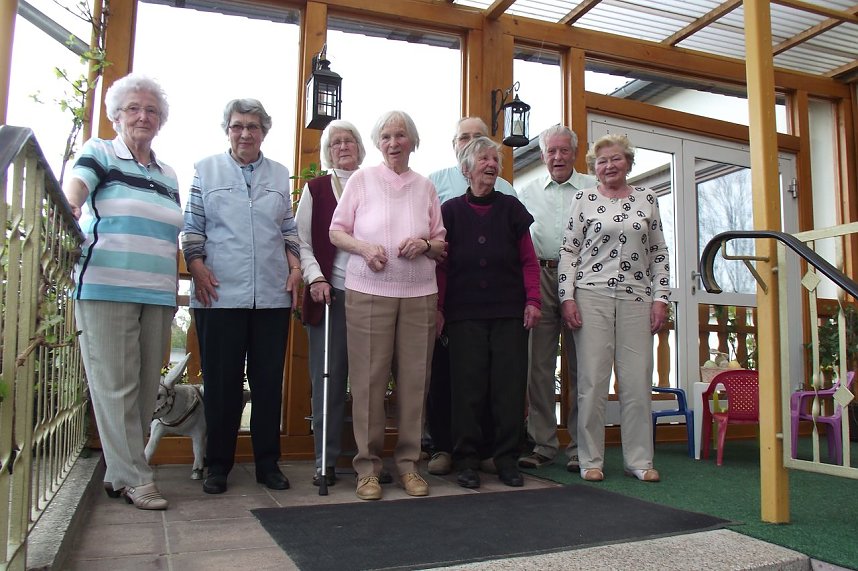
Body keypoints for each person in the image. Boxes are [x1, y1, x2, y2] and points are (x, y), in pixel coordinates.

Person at [64, 73, 181, 510]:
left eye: (151, 109)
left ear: (160, 120)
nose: (142, 115)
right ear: (116, 115)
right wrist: (71, 201)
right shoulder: (100, 152)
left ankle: (119, 473)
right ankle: (135, 476)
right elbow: (77, 185)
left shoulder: (167, 173)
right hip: (106, 286)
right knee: (115, 385)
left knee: (146, 387)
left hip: (157, 294)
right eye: (133, 108)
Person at [182, 98, 300, 495]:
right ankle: (218, 465)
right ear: (227, 130)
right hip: (218, 294)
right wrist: (196, 267)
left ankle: (268, 464)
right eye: (237, 126)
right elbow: (192, 227)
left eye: (253, 126)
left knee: (267, 383)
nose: (245, 133)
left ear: (264, 131)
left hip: (270, 297)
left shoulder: (280, 174)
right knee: (222, 385)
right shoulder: (205, 169)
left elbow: (288, 230)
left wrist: (296, 267)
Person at [330, 110, 446, 501]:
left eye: (401, 136)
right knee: (368, 382)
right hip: (368, 291)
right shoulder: (362, 181)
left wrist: (425, 245)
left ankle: (409, 465)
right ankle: (367, 469)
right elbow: (336, 231)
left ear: (412, 141)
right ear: (378, 144)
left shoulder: (425, 186)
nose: (394, 143)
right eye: (386, 137)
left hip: (419, 295)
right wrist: (364, 248)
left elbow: (441, 242)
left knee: (415, 383)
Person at [559, 133, 670, 482]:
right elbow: (569, 251)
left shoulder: (647, 198)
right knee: (592, 379)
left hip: (637, 297)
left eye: (616, 158)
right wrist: (567, 297)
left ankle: (639, 460)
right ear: (594, 167)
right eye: (602, 161)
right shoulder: (584, 198)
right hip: (591, 295)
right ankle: (591, 459)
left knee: (637, 380)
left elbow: (659, 253)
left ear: (629, 162)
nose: (609, 165)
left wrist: (661, 298)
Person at [437, 136, 541, 489]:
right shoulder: (449, 211)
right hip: (463, 313)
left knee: (508, 388)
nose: (492, 165)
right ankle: (466, 459)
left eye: (495, 159)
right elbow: (442, 266)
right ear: (467, 168)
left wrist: (533, 301)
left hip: (509, 312)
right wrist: (439, 309)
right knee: (467, 388)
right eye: (484, 159)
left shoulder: (511, 209)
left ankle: (506, 458)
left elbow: (529, 261)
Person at [425, 117, 516, 476]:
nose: (471, 142)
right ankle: (444, 448)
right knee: (449, 377)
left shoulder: (504, 186)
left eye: (478, 137)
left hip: (494, 297)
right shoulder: (435, 181)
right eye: (464, 137)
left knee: (489, 378)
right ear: (454, 144)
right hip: (450, 293)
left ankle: (488, 451)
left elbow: (513, 235)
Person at [517, 125, 597, 472]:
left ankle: (581, 445)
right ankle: (543, 443)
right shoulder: (527, 192)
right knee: (539, 365)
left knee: (584, 366)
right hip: (542, 276)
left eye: (564, 150)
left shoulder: (594, 190)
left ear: (575, 154)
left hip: (585, 280)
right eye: (551, 151)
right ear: (542, 155)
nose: (558, 157)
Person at [295, 120, 367, 487]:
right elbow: (301, 241)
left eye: (350, 140)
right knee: (329, 378)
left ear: (360, 147)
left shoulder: (373, 184)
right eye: (336, 142)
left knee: (369, 381)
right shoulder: (316, 188)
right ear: (327, 151)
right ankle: (325, 460)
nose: (343, 146)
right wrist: (315, 277)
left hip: (371, 295)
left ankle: (367, 462)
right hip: (331, 294)